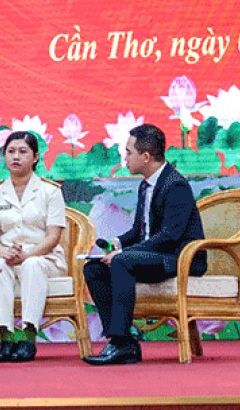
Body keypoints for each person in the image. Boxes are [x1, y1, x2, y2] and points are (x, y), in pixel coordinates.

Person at [82, 124, 206, 365]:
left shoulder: (175, 185)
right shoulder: (146, 184)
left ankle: (120, 341)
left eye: (129, 152)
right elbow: (141, 230)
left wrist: (124, 253)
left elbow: (170, 236)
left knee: (122, 261)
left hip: (178, 258)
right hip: (153, 256)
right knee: (93, 269)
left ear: (146, 156)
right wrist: (117, 243)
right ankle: (123, 342)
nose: (125, 158)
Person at [0, 131, 67, 363]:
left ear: (36, 157)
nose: (16, 157)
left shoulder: (50, 191)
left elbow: (53, 237)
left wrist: (28, 254)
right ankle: (7, 337)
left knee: (32, 264)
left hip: (45, 257)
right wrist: (4, 253)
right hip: (7, 256)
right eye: (11, 152)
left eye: (23, 152)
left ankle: (29, 336)